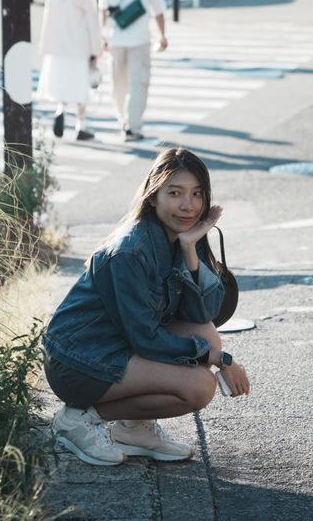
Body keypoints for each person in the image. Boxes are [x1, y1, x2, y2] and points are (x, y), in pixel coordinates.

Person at [43, 147, 250, 466]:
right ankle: (77, 420)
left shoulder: (177, 238)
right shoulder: (131, 251)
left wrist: (190, 248)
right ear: (153, 197)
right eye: (175, 193)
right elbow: (146, 338)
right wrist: (220, 359)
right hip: (80, 361)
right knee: (199, 386)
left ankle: (133, 428)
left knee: (206, 335)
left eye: (197, 194)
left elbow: (202, 315)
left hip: (118, 346)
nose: (188, 205)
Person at [98, 0, 167, 142]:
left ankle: (121, 120)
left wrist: (102, 36)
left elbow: (102, 10)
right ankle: (133, 125)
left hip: (114, 38)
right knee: (138, 83)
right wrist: (162, 36)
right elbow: (158, 12)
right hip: (140, 39)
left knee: (118, 82)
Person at [37, 0, 101, 141]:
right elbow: (92, 21)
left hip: (57, 45)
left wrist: (45, 44)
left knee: (63, 83)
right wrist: (96, 49)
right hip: (79, 46)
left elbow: (49, 15)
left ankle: (60, 111)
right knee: (81, 87)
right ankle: (81, 126)